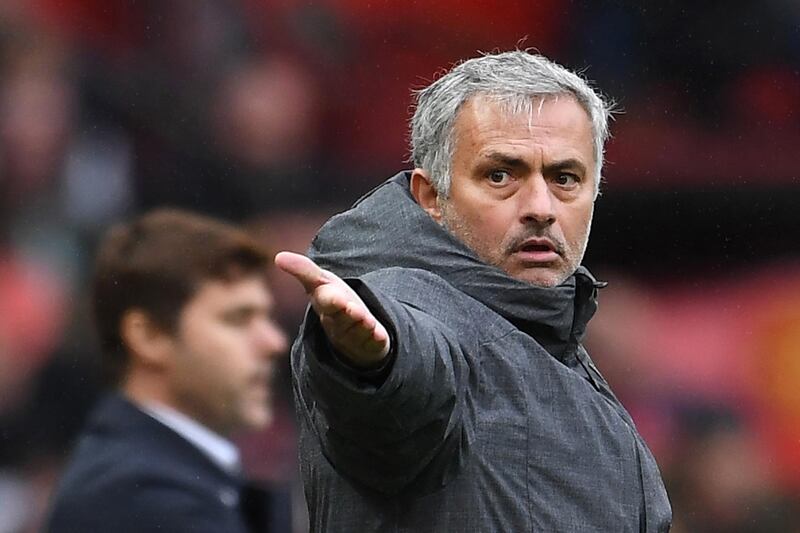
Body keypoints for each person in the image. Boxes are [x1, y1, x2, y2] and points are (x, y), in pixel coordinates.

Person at [276, 50, 672, 532]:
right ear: (431, 198)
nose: (541, 208)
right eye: (500, 175)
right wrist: (372, 363)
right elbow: (409, 378)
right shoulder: (404, 299)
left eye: (564, 178)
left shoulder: (557, 344)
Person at [45, 209, 290, 533]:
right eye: (237, 319)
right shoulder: (141, 500)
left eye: (266, 318)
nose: (274, 342)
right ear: (149, 336)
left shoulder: (174, 479)